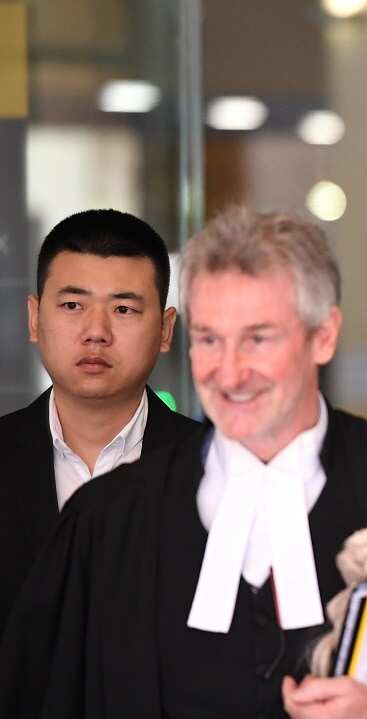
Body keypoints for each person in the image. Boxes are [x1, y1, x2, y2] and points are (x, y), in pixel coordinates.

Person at [0, 207, 367, 719]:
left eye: (258, 339)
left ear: (322, 336)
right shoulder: (112, 517)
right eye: (209, 339)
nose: (229, 373)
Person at [0, 208, 198, 634]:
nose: (96, 332)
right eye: (72, 305)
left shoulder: (214, 469)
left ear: (165, 330)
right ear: (34, 318)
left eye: (124, 309)